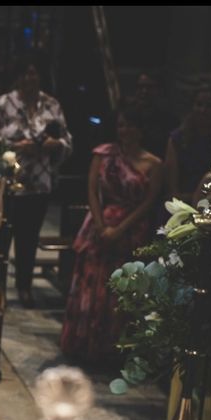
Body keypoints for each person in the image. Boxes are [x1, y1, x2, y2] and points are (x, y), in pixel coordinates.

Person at [60, 103, 162, 367]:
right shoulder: (104, 154)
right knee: (91, 284)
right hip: (100, 223)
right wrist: (100, 223)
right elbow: (92, 190)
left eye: (129, 125)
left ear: (140, 130)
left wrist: (120, 228)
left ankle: (111, 349)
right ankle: (82, 344)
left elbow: (148, 203)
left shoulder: (153, 163)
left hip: (130, 229)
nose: (124, 130)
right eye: (121, 125)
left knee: (119, 291)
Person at [0, 52, 72, 309]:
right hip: (10, 184)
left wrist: (53, 145)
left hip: (39, 184)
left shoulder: (51, 105)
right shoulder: (3, 105)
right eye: (25, 73)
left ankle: (24, 287)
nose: (29, 78)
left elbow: (67, 141)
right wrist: (16, 146)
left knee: (28, 239)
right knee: (1, 237)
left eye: (34, 73)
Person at [156, 86, 211, 226]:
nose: (203, 110)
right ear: (192, 107)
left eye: (209, 106)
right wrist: (196, 198)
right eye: (199, 104)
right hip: (181, 206)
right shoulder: (177, 139)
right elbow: (172, 191)